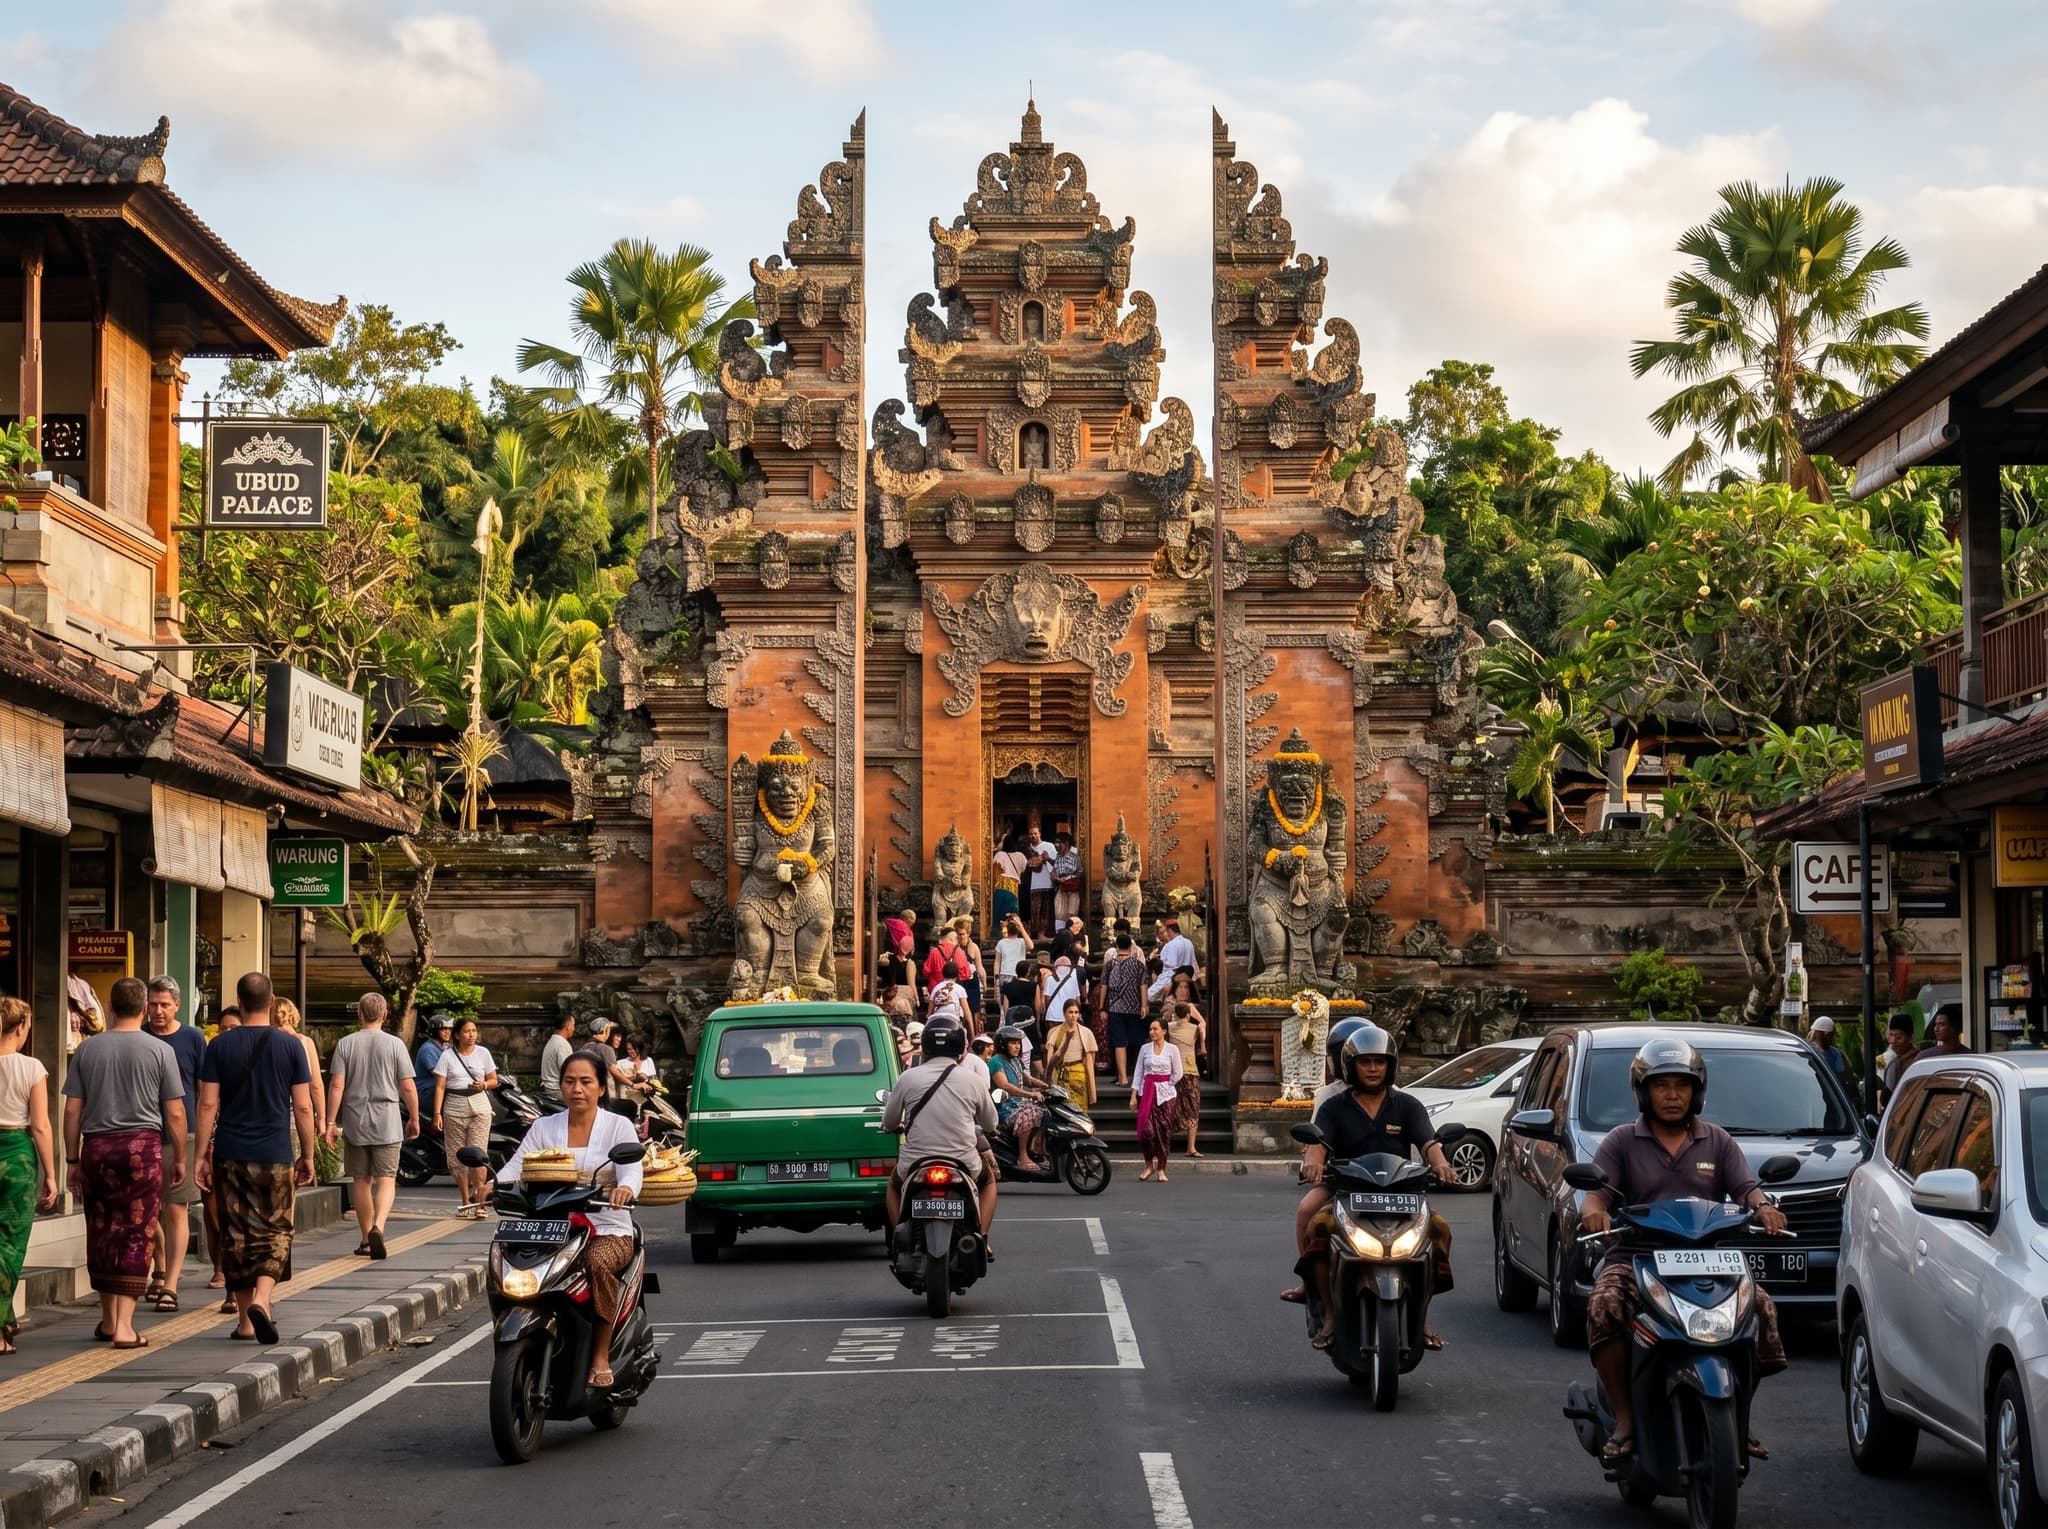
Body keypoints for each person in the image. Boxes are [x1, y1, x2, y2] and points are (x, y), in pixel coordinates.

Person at [1580, 1037, 1788, 1463]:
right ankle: (1624, 1417)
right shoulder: (1622, 1140)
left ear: (1698, 1091)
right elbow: (1596, 1195)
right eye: (1661, 1086)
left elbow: (1747, 1188)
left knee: (1761, 1308)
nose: (1672, 1095)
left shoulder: (1717, 1141)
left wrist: (1764, 1209)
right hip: (1637, 1259)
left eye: (1682, 1085)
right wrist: (1595, 1212)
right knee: (1603, 1305)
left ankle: (1737, 1416)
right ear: (1643, 1091)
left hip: (1709, 1261)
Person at [1296, 1025, 1454, 1350]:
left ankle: (1421, 1312)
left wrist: (1440, 1163)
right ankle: (1326, 1310)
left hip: (1402, 1194)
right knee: (1313, 1221)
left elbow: (1428, 1141)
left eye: (1379, 1062)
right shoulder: (1334, 1106)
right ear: (1350, 1066)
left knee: (1440, 1231)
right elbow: (1318, 1143)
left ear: (1390, 1066)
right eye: (1365, 1062)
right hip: (1344, 1190)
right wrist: (1313, 1161)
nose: (1372, 1068)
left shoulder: (1407, 1105)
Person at [495, 1051, 642, 1389]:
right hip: (551, 1227)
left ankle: (601, 1353)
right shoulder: (544, 1127)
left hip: (607, 1228)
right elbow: (518, 1166)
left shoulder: (617, 1127)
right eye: (570, 1081)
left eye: (586, 1082)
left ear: (601, 1088)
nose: (577, 1089)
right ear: (560, 1086)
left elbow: (631, 1170)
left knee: (596, 1262)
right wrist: (493, 1184)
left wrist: (624, 1189)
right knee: (507, 1256)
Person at [63, 976, 186, 1348]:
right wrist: (180, 1156)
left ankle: (106, 1318)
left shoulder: (88, 1050)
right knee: (138, 1230)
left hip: (97, 1148)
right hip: (142, 1151)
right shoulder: (160, 1051)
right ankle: (125, 1327)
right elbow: (176, 1113)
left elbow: (72, 1109)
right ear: (145, 1008)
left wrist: (72, 1158)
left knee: (102, 1229)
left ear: (111, 1008)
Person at [197, 972, 315, 1345]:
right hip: (275, 1153)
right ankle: (263, 1300)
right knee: (276, 1230)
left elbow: (207, 1104)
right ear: (272, 1001)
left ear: (239, 1000)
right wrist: (308, 1154)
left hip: (230, 1152)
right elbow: (303, 1106)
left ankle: (247, 1321)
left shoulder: (218, 1046)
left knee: (236, 1233)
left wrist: (201, 1154)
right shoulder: (291, 1046)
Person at [880, 1015, 998, 1240]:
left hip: (915, 1163)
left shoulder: (907, 1078)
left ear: (924, 1046)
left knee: (894, 1185)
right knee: (989, 1180)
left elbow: (889, 1122)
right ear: (960, 1049)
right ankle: (981, 1237)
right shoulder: (973, 1080)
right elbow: (991, 1123)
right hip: (964, 1162)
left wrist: (895, 1126)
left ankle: (898, 1238)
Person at [324, 993, 418, 1260]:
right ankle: (380, 1226)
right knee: (386, 1180)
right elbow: (408, 1086)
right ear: (385, 1015)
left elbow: (337, 1085)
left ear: (359, 1014)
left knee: (361, 1181)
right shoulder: (395, 1044)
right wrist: (414, 1117)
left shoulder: (345, 1044)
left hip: (356, 1120)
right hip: (387, 1119)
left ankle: (366, 1238)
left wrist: (331, 1123)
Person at [143, 975, 205, 1314]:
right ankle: (160, 1265)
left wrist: (203, 1138)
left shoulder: (193, 1038)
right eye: (152, 1004)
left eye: (164, 1005)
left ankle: (171, 1282)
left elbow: (203, 1089)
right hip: (144, 1133)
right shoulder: (139, 1036)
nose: (157, 1011)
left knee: (175, 1209)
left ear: (177, 1005)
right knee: (148, 1212)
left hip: (183, 1134)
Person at [0, 998, 57, 1353]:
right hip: (18, 1157)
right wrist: (51, 1174)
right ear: (21, 1027)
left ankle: (6, 1320)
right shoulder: (31, 1068)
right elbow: (40, 1127)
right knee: (9, 1244)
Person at [433, 1019, 500, 1218]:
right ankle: (464, 1200)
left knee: (479, 1153)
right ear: (457, 1035)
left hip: (479, 1104)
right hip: (454, 1104)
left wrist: (485, 1085)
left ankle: (480, 1201)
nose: (471, 1035)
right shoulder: (447, 1056)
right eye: (466, 1031)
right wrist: (437, 1113)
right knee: (455, 1156)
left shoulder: (483, 1053)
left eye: (473, 1031)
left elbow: (494, 1079)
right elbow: (440, 1086)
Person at [1130, 1017, 1184, 1182]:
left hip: (1166, 1095)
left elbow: (1178, 1072)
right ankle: (1148, 1165)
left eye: (1155, 1029)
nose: (1152, 1032)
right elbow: (1139, 1072)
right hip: (1148, 1093)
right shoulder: (1145, 1049)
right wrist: (1133, 1095)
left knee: (1163, 1132)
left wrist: (1168, 1084)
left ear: (1164, 1031)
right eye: (1151, 1029)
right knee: (1147, 1132)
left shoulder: (1172, 1049)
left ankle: (1161, 1168)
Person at [989, 1025, 1048, 1172]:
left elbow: (1029, 1079)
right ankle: (1023, 1157)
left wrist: (1048, 1086)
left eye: (1018, 1043)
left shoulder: (1016, 1060)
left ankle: (1038, 1151)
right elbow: (1005, 1085)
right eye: (1013, 1043)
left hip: (1019, 1104)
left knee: (1045, 1110)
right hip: (1005, 1109)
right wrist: (1031, 1094)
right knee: (1030, 1111)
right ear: (1003, 1044)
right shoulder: (996, 1061)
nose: (1017, 1046)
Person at [271, 998, 326, 1152]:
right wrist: (321, 1119)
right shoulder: (306, 1043)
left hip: (272, 1113)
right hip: (300, 1116)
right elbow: (316, 1085)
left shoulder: (267, 1041)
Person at [1103, 934, 1150, 1089]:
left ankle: (1123, 1078)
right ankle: (1138, 1078)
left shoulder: (1110, 964)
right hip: (1134, 1007)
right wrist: (1144, 1005)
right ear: (1131, 947)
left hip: (1115, 1007)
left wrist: (1101, 1007)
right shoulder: (1139, 965)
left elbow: (1104, 986)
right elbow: (1142, 986)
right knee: (1136, 1042)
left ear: (1117, 947)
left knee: (1119, 1043)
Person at [1166, 999, 1208, 1158]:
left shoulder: (1168, 1028)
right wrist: (1200, 1019)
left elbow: (1165, 1019)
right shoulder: (1195, 1029)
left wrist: (1172, 1012)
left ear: (1176, 1014)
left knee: (1170, 1106)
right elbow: (1202, 1046)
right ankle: (1191, 1147)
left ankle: (1166, 1144)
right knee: (1193, 1108)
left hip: (1172, 1071)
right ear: (1189, 1015)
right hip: (1190, 1071)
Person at [1043, 998, 1098, 1106]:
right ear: (1064, 1014)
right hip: (1060, 1074)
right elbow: (1051, 1057)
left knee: (1079, 1107)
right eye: (1070, 1012)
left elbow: (1091, 1057)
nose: (1073, 1015)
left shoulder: (1086, 1033)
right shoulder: (1054, 1032)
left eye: (1076, 1012)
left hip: (1079, 1074)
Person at [412, 1013, 453, 1123]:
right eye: (443, 1029)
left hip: (437, 1090)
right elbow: (440, 1075)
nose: (447, 1032)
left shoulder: (445, 1048)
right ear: (435, 1031)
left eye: (449, 1029)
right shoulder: (429, 1049)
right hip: (427, 1093)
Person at [1879, 1013, 1919, 1108]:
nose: (1893, 1041)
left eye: (1898, 1037)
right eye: (1891, 1035)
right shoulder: (1894, 1061)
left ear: (1910, 1038)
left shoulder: (1917, 1062)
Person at [537, 1012, 577, 1109]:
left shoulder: (552, 1041)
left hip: (548, 1088)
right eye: (573, 1025)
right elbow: (569, 1071)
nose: (574, 1029)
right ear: (567, 1026)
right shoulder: (562, 1044)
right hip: (556, 1090)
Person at [952, 917, 987, 1025]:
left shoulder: (973, 947)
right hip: (959, 982)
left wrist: (985, 983)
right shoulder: (954, 947)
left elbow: (980, 967)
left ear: (968, 934)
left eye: (963, 934)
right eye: (958, 934)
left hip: (972, 983)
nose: (961, 936)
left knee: (974, 1010)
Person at [922, 927, 972, 1003]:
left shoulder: (934, 952)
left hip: (936, 992)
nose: (957, 941)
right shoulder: (960, 952)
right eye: (956, 939)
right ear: (951, 939)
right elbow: (967, 974)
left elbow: (926, 971)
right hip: (954, 993)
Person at [994, 916, 1033, 1010]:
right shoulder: (1001, 943)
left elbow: (1031, 946)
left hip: (1019, 975)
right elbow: (997, 961)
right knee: (1004, 1004)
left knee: (1018, 1002)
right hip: (1005, 974)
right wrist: (996, 977)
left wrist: (1022, 928)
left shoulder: (1022, 942)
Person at [992, 832, 1028, 928]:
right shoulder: (1020, 856)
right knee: (1012, 912)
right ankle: (1012, 932)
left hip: (1000, 885)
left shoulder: (999, 855)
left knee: (999, 911)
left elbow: (993, 868)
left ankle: (997, 933)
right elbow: (1024, 869)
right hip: (1013, 887)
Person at [1026, 824, 1056, 937]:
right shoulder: (1027, 848)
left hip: (1047, 882)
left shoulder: (1048, 846)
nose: (1033, 836)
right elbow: (1028, 863)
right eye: (1031, 834)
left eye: (1035, 833)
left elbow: (1055, 862)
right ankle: (1035, 932)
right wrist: (1038, 860)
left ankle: (1043, 932)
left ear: (1040, 834)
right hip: (1033, 884)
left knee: (1046, 910)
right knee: (1035, 910)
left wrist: (1045, 859)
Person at [1158, 918, 1200, 992]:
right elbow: (1194, 962)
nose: (1167, 934)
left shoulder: (1171, 945)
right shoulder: (1189, 942)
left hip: (1175, 984)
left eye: (1167, 931)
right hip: (1190, 981)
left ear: (1170, 931)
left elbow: (1170, 967)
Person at [1807, 1015, 1849, 1085]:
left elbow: (1843, 1077)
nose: (1832, 1038)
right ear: (1826, 1034)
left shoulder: (1836, 1053)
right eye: (1831, 1035)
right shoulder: (1808, 1051)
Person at [1051, 833, 1083, 926]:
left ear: (1067, 843)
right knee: (1059, 913)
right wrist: (1054, 876)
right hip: (1061, 889)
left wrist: (1067, 879)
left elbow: (1079, 872)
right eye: (1055, 842)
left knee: (1071, 913)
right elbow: (1055, 870)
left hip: (1072, 889)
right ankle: (1060, 934)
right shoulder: (1057, 857)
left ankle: (1071, 935)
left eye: (1059, 842)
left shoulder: (1075, 857)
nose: (1056, 845)